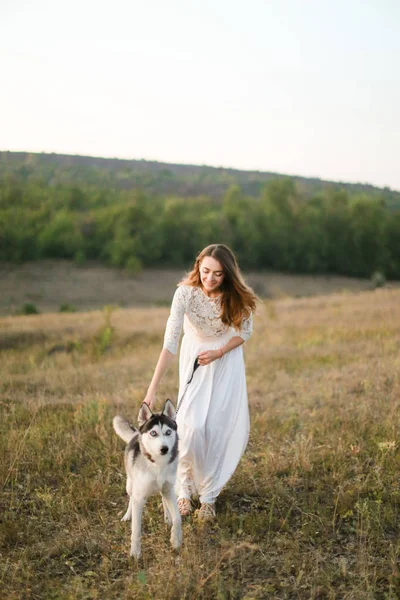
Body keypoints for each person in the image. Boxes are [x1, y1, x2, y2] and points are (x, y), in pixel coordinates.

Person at [144, 244, 257, 521]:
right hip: (194, 356)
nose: (210, 278)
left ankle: (208, 497)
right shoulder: (184, 294)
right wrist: (152, 389)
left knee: (214, 428)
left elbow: (246, 332)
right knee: (191, 426)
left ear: (227, 275)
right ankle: (184, 490)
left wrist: (219, 351)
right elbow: (170, 343)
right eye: (205, 271)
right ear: (198, 267)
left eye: (218, 274)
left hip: (224, 360)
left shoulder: (233, 296)